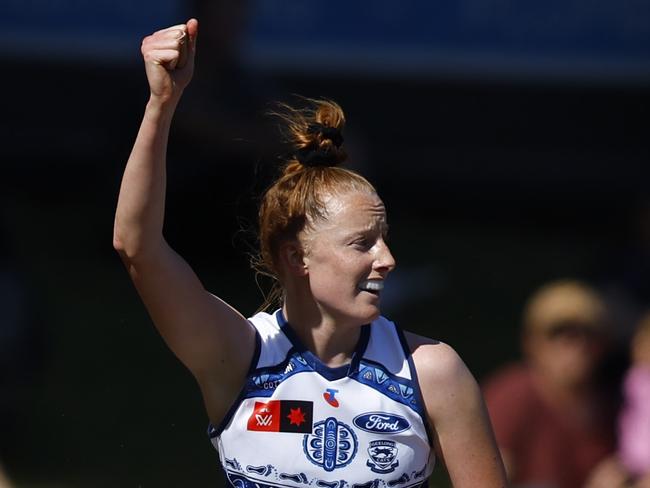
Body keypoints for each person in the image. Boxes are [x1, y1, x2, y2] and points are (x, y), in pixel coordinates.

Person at [113, 19, 507, 488]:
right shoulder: (240, 353)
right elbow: (137, 246)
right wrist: (162, 103)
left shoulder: (433, 371)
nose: (387, 259)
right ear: (296, 256)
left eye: (384, 237)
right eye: (363, 243)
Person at [483, 280, 618, 488]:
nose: (576, 346)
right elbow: (486, 479)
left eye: (587, 334)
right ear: (531, 342)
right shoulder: (513, 395)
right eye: (559, 333)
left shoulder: (616, 400)